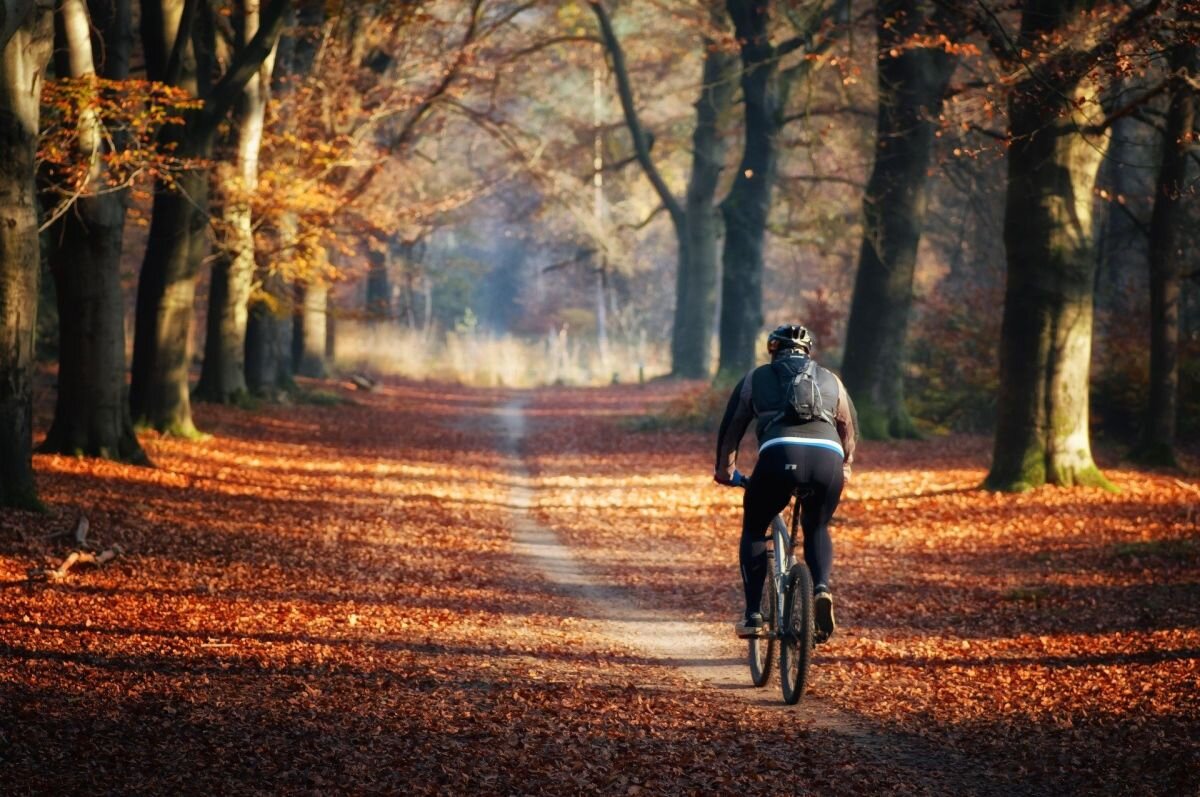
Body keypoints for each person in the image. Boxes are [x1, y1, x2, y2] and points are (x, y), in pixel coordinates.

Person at [714, 324, 858, 642]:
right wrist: (844, 468)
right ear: (808, 352)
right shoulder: (831, 380)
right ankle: (820, 588)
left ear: (773, 350)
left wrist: (725, 471)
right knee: (817, 526)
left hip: (779, 455)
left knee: (755, 526)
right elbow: (848, 428)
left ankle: (753, 614)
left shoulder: (756, 378)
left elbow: (732, 427)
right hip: (828, 458)